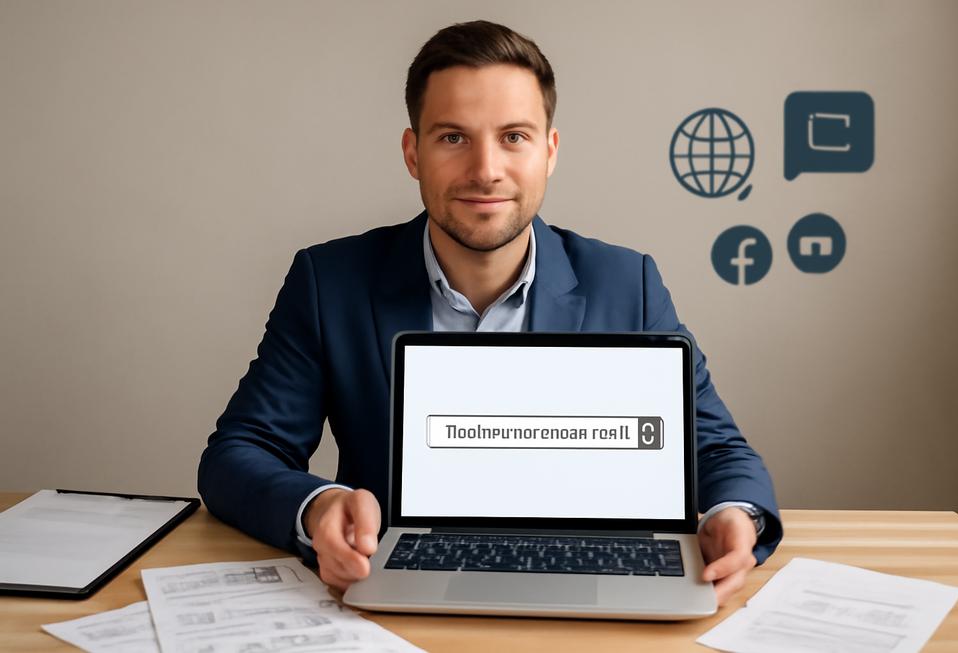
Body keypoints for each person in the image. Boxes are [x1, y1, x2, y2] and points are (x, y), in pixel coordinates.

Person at [199, 19, 782, 607]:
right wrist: (318, 506)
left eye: (514, 137)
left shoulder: (628, 283)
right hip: (392, 599)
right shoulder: (329, 283)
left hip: (589, 589)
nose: (485, 169)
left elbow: (715, 448)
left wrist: (738, 514)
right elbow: (238, 453)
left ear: (549, 151)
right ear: (412, 153)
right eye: (453, 137)